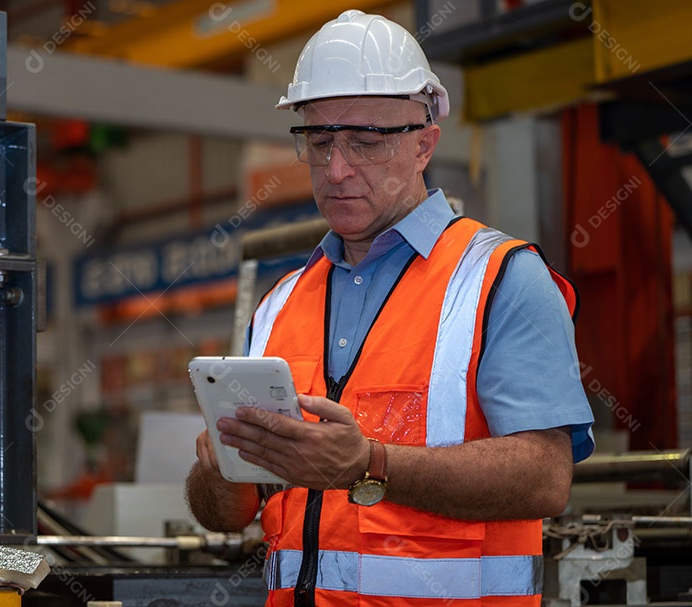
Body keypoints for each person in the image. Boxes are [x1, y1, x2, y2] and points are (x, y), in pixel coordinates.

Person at [185, 9, 595, 607]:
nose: (337, 169)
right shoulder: (278, 306)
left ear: (425, 143)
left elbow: (545, 477)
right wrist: (215, 470)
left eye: (365, 143)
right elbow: (227, 517)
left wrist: (370, 463)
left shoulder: (501, 278)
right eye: (319, 142)